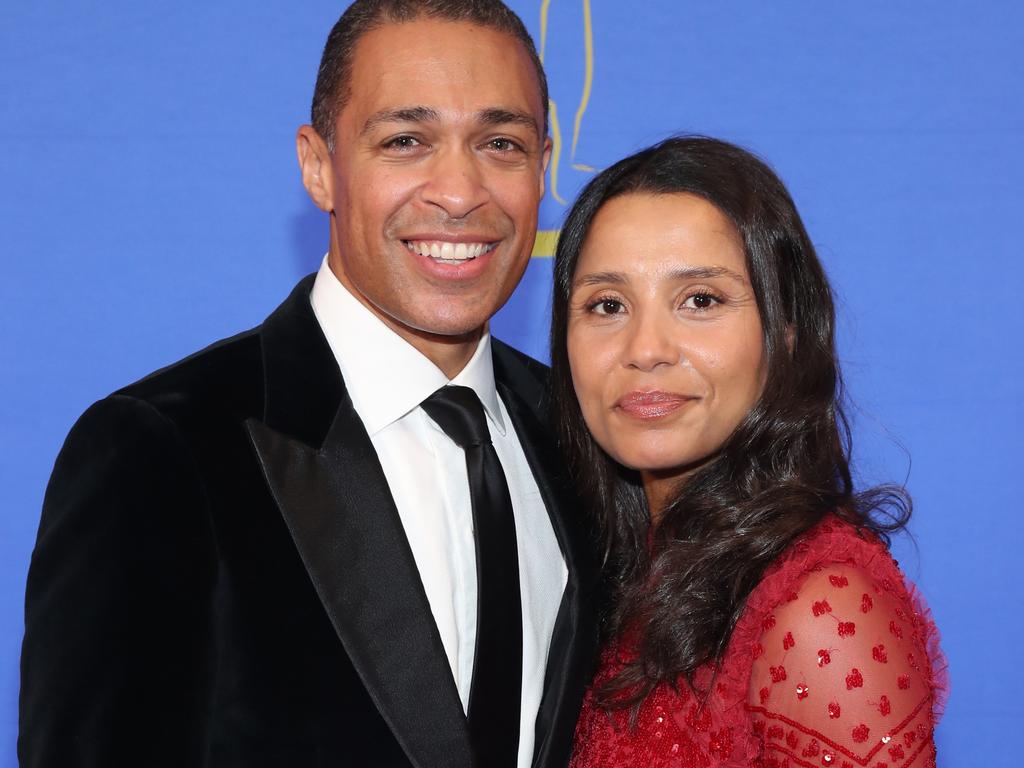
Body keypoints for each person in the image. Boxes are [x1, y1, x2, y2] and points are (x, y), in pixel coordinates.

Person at [19, 2, 599, 767]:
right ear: (319, 165)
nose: (460, 191)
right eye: (405, 141)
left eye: (501, 143)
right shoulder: (160, 450)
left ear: (543, 163)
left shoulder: (585, 438)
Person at [549, 137, 946, 767]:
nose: (645, 348)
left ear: (786, 334)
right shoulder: (609, 574)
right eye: (607, 305)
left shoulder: (820, 609)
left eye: (700, 300)